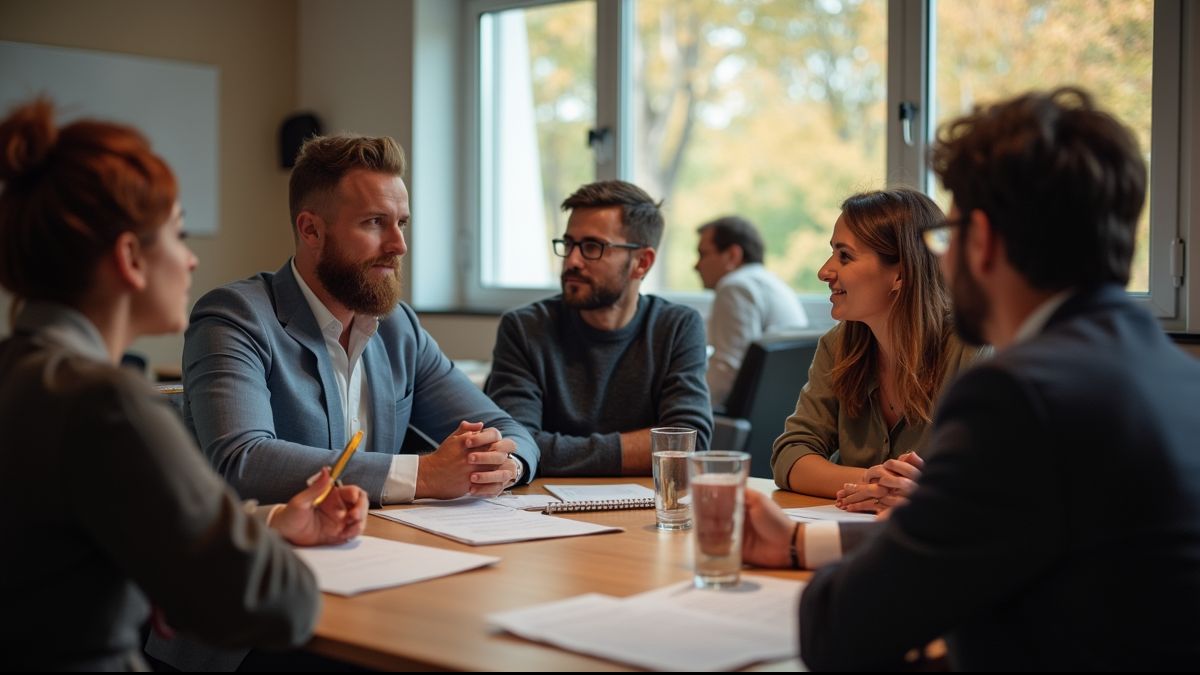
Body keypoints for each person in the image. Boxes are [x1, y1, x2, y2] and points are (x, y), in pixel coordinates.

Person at [742, 87, 1200, 670]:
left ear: (980, 241)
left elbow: (840, 630)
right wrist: (806, 540)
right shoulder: (1173, 375)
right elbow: (986, 535)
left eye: (946, 238)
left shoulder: (1018, 393)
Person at [0, 99, 368, 671]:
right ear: (130, 258)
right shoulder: (108, 405)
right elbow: (282, 606)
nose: (192, 260)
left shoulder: (20, 378)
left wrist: (267, 522)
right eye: (178, 234)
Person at [181, 133, 538, 506]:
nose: (398, 245)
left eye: (401, 223)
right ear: (311, 230)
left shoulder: (399, 328)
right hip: (270, 555)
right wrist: (427, 474)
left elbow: (513, 431)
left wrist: (501, 466)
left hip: (381, 546)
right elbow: (244, 461)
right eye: (374, 222)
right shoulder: (234, 318)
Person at [770, 188, 986, 502]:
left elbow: (996, 480)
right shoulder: (839, 345)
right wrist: (878, 482)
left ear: (900, 274)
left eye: (844, 255)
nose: (824, 271)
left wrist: (924, 492)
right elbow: (791, 455)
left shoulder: (972, 351)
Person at [486, 180, 711, 476]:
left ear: (641, 262)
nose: (572, 260)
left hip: (646, 509)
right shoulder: (526, 328)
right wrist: (642, 449)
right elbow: (514, 445)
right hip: (543, 511)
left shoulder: (677, 327)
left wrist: (553, 451)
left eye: (592, 246)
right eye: (568, 244)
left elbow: (688, 445)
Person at [694, 215, 808, 407]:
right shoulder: (770, 283)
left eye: (703, 254)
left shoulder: (735, 287)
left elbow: (728, 369)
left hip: (747, 418)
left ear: (732, 255)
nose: (696, 265)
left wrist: (687, 406)